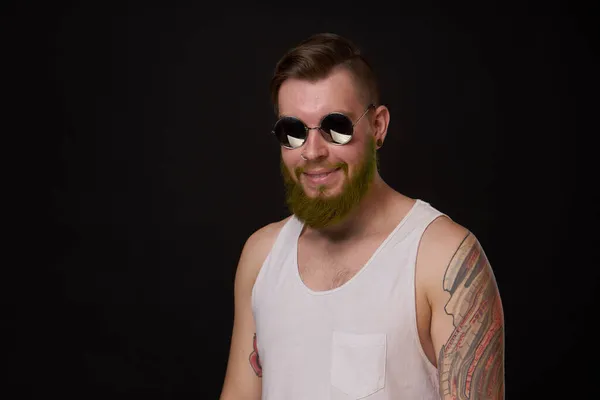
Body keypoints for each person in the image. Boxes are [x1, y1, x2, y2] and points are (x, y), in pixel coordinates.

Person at [219, 32, 504, 400]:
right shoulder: (261, 256)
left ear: (378, 126)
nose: (312, 151)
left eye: (336, 127)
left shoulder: (443, 259)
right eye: (292, 132)